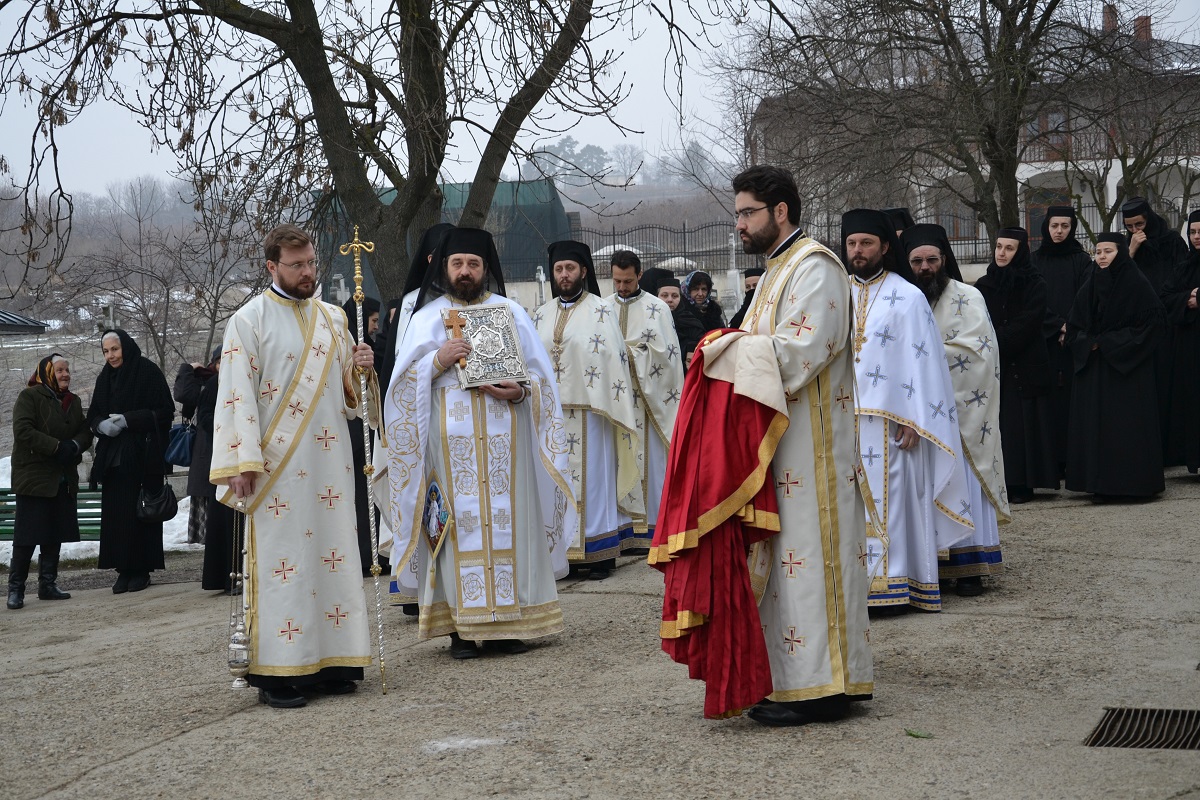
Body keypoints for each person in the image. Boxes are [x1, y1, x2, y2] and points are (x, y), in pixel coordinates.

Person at [652, 165, 872, 725]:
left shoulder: (815, 266)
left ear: (780, 211)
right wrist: (726, 345)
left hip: (812, 447)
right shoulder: (774, 271)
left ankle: (824, 688)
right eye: (737, 215)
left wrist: (718, 348)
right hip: (776, 443)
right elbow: (751, 344)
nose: (739, 225)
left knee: (810, 562)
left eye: (747, 213)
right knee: (785, 567)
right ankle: (797, 680)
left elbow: (796, 353)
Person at [384, 227, 573, 660]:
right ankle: (460, 629)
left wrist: (521, 392)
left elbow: (542, 381)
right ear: (445, 269)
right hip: (447, 451)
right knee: (452, 531)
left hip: (508, 446)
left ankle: (510, 624)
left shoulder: (511, 312)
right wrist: (436, 360)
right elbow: (400, 389)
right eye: (458, 264)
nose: (465, 272)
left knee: (512, 526)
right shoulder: (426, 318)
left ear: (486, 269)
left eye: (473, 264)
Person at [210, 223, 375, 708]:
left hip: (330, 466)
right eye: (296, 264)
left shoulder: (334, 319)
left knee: (334, 556)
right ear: (272, 266)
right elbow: (234, 395)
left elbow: (351, 400)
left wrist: (363, 368)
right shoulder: (248, 321)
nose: (307, 272)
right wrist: (242, 462)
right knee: (286, 566)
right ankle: (279, 673)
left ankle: (334, 662)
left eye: (311, 263)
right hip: (275, 470)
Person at [843, 209, 973, 611]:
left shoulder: (908, 296)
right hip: (844, 417)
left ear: (885, 247)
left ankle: (898, 586)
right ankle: (854, 588)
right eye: (851, 244)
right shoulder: (833, 293)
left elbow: (926, 364)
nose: (858, 251)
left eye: (866, 243)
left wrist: (918, 419)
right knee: (849, 505)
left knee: (895, 502)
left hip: (894, 424)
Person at [903, 224, 1011, 596]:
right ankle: (933, 567)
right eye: (917, 261)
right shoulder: (903, 299)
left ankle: (969, 567)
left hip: (961, 411)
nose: (925, 267)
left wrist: (924, 362)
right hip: (919, 413)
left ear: (944, 260)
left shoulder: (968, 295)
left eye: (932, 259)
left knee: (962, 483)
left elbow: (980, 352)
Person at [533, 240, 642, 580]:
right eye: (559, 269)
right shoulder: (541, 313)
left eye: (570, 268)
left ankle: (597, 554)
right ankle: (561, 551)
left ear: (583, 271)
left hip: (593, 413)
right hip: (551, 416)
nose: (564, 275)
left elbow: (613, 360)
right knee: (556, 480)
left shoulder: (601, 310)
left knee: (592, 483)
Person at [1065, 233, 1165, 500]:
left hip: (1128, 373)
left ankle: (1134, 485)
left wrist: (1107, 343)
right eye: (1098, 252)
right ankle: (1100, 485)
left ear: (1120, 253)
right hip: (1096, 372)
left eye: (1107, 251)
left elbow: (1152, 325)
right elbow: (1075, 326)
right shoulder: (1091, 284)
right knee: (1098, 430)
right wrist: (1090, 343)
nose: (1101, 257)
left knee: (1127, 430)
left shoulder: (1136, 283)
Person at [86, 329, 174, 594]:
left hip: (143, 456)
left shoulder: (147, 371)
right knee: (117, 514)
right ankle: (122, 569)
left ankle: (141, 569)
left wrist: (128, 420)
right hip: (113, 459)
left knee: (140, 513)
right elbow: (93, 414)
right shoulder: (105, 378)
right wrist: (101, 425)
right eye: (106, 351)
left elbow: (165, 411)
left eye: (115, 349)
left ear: (125, 346)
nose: (111, 355)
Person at [975, 227, 1058, 503]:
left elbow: (1031, 320)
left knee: (1024, 424)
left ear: (1020, 251)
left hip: (1025, 362)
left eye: (1009, 248)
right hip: (995, 365)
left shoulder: (1036, 283)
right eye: (999, 247)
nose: (1002, 253)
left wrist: (996, 340)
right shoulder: (984, 285)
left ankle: (1023, 483)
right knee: (1001, 424)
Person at [606, 249, 682, 547]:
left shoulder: (657, 309)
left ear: (639, 275)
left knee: (649, 464)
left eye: (627, 281)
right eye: (616, 281)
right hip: (615, 401)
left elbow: (667, 359)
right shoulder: (603, 308)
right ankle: (624, 529)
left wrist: (631, 355)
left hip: (649, 403)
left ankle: (651, 529)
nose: (622, 287)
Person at [8, 355, 92, 610]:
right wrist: (57, 447)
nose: (65, 374)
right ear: (46, 373)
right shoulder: (29, 397)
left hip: (62, 478)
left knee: (53, 533)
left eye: (67, 370)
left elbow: (85, 430)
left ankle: (47, 584)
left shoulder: (73, 401)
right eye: (59, 370)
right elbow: (23, 431)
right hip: (34, 478)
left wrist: (76, 444)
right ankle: (16, 589)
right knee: (27, 536)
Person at [1123, 197, 1188, 453]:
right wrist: (1131, 250)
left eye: (1139, 224)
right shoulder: (1128, 243)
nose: (1136, 230)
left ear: (1148, 218)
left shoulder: (1171, 241)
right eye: (1129, 226)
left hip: (1170, 321)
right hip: (1141, 324)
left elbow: (1180, 276)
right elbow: (1118, 278)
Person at [1031, 206, 1092, 476]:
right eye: (1055, 226)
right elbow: (1032, 301)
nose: (1059, 232)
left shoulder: (1081, 260)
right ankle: (1050, 461)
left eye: (1065, 227)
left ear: (1072, 228)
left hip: (1074, 341)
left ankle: (1074, 461)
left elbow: (1087, 296)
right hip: (1044, 341)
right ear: (1046, 226)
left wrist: (1071, 325)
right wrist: (1058, 325)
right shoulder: (1034, 261)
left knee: (1073, 400)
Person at [343, 294, 382, 575]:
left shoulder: (373, 348)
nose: (376, 327)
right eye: (373, 321)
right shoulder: (345, 345)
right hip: (350, 435)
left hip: (365, 431)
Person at [1159, 210, 1200, 472]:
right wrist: (1187, 298)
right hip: (1190, 345)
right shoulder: (1185, 265)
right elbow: (1166, 297)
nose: (1197, 237)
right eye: (1193, 232)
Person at [173, 348, 221, 544]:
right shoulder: (205, 382)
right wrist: (187, 370)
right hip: (205, 451)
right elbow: (183, 394)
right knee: (205, 496)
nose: (222, 366)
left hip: (219, 450)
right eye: (219, 362)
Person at [657, 278, 704, 370]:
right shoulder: (650, 321)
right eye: (664, 295)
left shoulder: (690, 321)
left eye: (674, 296)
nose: (669, 300)